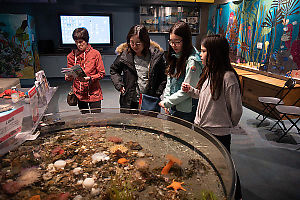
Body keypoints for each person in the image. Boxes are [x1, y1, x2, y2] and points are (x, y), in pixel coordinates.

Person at [182, 34, 243, 200]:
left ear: (214, 53)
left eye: (203, 51)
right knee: (205, 162)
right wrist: (192, 91)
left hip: (218, 133)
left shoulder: (228, 77)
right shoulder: (209, 72)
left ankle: (235, 195)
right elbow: (205, 97)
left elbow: (236, 110)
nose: (200, 55)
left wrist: (227, 123)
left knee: (225, 167)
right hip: (202, 128)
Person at [110, 25, 167, 111]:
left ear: (145, 41)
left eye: (138, 43)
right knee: (129, 123)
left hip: (149, 99)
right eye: (131, 42)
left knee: (148, 123)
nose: (134, 46)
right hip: (129, 99)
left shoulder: (156, 56)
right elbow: (114, 70)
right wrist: (119, 85)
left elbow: (163, 76)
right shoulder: (125, 55)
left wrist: (158, 92)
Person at [159, 21, 203, 123]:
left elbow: (187, 91)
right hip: (173, 105)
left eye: (177, 42)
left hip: (186, 109)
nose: (173, 45)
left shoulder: (193, 60)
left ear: (186, 40)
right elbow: (169, 80)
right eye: (171, 41)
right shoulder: (175, 55)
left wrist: (167, 102)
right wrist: (167, 100)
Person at [65, 27, 105, 114]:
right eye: (76, 42)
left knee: (96, 119)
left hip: (94, 93)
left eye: (81, 42)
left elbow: (101, 74)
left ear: (86, 41)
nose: (79, 45)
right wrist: (68, 76)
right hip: (79, 94)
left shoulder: (95, 54)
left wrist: (90, 78)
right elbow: (70, 75)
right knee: (85, 118)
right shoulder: (71, 56)